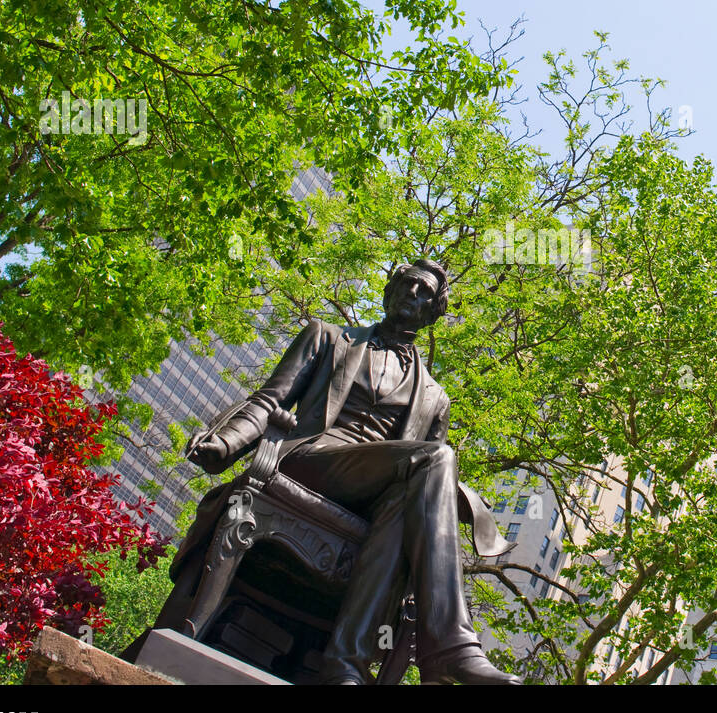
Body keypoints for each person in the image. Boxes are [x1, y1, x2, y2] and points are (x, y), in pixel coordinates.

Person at [162, 259, 520, 684]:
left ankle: (344, 665)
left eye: (426, 293)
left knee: (406, 508)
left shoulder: (435, 397)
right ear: (390, 291)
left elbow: (424, 487)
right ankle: (449, 647)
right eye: (408, 285)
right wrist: (226, 443)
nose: (414, 295)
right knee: (438, 458)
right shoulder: (328, 337)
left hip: (374, 492)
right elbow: (268, 400)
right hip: (309, 459)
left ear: (432, 315)